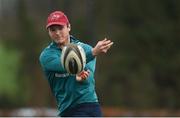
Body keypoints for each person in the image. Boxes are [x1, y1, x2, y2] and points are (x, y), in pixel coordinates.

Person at [39, 10, 113, 117]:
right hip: (67, 110)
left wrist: (82, 78)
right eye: (53, 30)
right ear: (48, 32)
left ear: (69, 27)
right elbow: (65, 64)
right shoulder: (46, 56)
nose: (57, 33)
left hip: (89, 105)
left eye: (60, 28)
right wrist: (92, 53)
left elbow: (89, 79)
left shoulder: (85, 48)